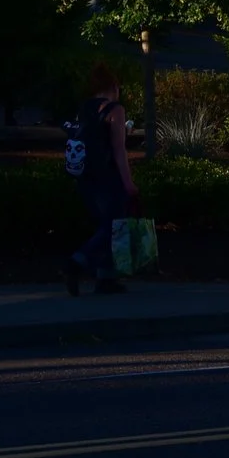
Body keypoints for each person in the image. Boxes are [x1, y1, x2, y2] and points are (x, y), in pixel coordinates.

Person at [64, 63, 137, 296]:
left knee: (104, 223)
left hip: (85, 175)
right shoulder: (115, 110)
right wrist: (129, 182)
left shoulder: (85, 108)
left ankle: (106, 278)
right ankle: (78, 261)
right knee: (114, 225)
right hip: (107, 176)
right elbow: (118, 150)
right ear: (114, 86)